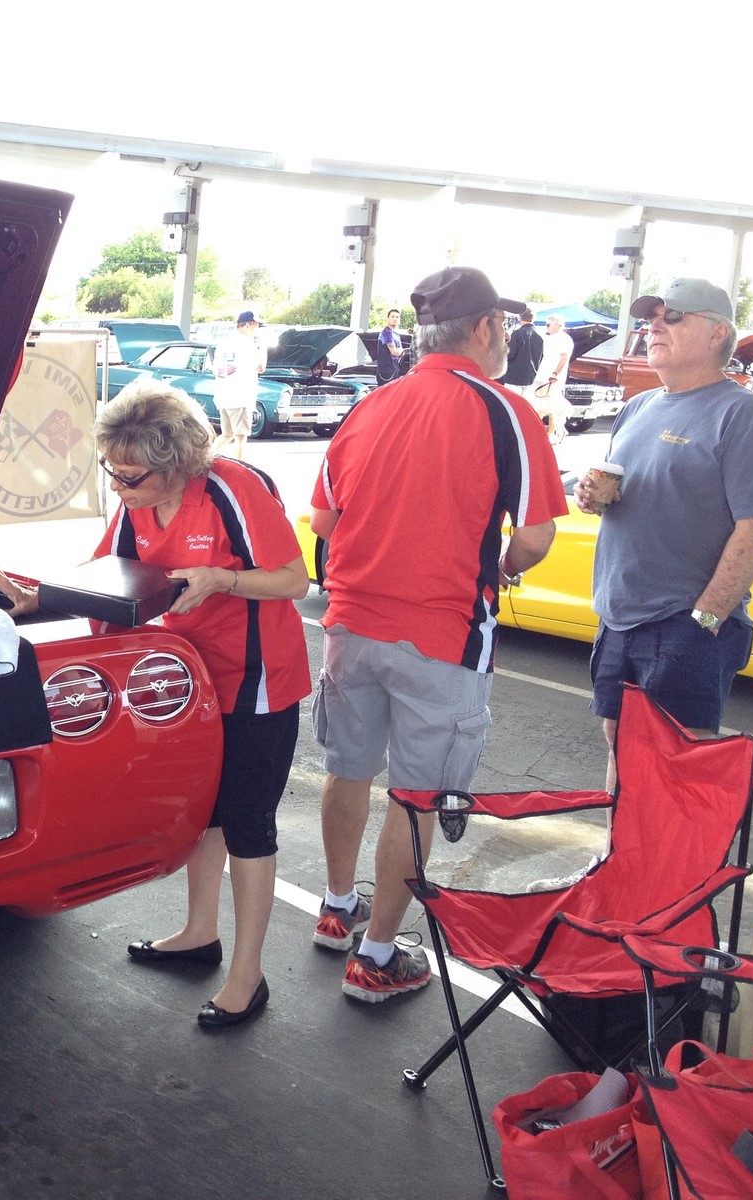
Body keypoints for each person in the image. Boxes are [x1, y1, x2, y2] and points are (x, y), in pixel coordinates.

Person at [0, 380, 310, 1028]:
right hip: (190, 682)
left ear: (175, 467)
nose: (118, 487)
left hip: (257, 679)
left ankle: (249, 976)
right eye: (111, 471)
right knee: (206, 815)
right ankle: (199, 934)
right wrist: (34, 597)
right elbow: (105, 573)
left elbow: (297, 580)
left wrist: (222, 579)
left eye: (129, 477)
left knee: (249, 824)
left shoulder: (230, 489)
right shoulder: (138, 501)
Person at [308, 266, 568, 1002]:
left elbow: (323, 522)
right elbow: (539, 535)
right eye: (505, 328)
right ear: (485, 328)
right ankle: (378, 956)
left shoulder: (374, 404)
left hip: (350, 623)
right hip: (443, 633)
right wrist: (503, 567)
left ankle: (335, 911)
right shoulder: (505, 411)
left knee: (346, 767)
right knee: (416, 798)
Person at [576, 278, 753, 794]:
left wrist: (706, 620)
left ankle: (668, 876)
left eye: (673, 317)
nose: (655, 326)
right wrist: (591, 496)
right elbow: (632, 497)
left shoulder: (744, 414)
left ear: (718, 334)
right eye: (651, 318)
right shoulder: (639, 407)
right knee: (620, 742)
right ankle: (618, 867)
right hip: (621, 617)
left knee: (673, 764)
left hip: (684, 622)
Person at [212, 309, 267, 458]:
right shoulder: (247, 344)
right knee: (240, 437)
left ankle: (204, 456)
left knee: (227, 434)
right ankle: (239, 465)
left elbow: (216, 368)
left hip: (223, 395)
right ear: (248, 325)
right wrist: (262, 347)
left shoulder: (224, 342)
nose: (257, 329)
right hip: (241, 396)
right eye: (256, 325)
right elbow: (261, 367)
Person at [533, 315, 576, 446]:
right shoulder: (549, 338)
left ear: (557, 325)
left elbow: (564, 358)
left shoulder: (564, 339)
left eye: (548, 324)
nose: (547, 327)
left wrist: (555, 374)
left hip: (553, 379)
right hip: (541, 377)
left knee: (553, 408)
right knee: (538, 405)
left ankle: (551, 434)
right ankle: (538, 432)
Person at [501, 309, 544, 398]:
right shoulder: (539, 336)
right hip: (530, 377)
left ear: (520, 318)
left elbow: (510, 353)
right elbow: (541, 356)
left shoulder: (517, 333)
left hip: (514, 377)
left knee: (511, 402)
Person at [376, 308, 406, 382]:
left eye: (397, 317)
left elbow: (402, 354)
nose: (395, 319)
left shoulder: (396, 334)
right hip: (386, 372)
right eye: (392, 317)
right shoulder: (386, 333)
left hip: (395, 369)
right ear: (387, 318)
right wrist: (401, 350)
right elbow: (395, 352)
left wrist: (401, 351)